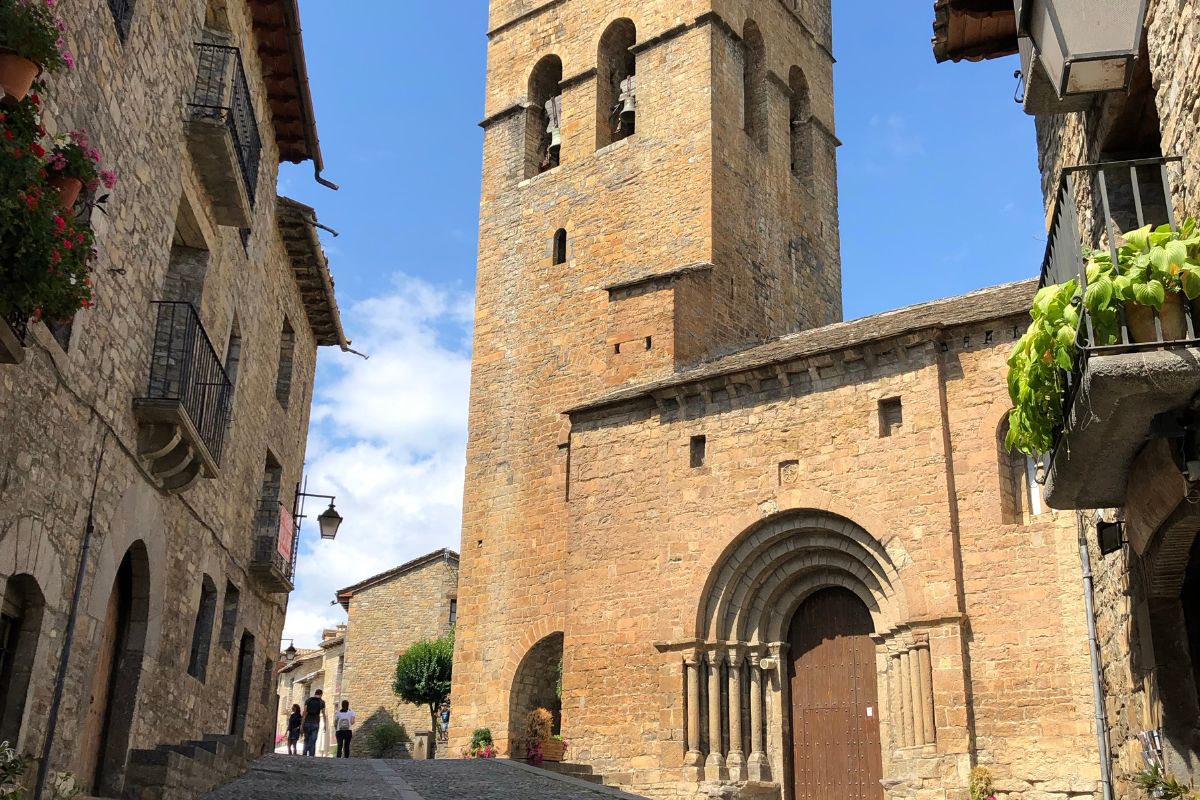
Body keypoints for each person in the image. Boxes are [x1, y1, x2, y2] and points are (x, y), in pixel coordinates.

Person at [302, 689, 325, 757]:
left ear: (315, 693)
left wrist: (302, 724)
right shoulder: (321, 702)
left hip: (307, 722)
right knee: (313, 740)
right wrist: (325, 724)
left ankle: (304, 755)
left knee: (306, 739)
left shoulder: (308, 700)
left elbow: (304, 712)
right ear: (321, 694)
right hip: (315, 723)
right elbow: (323, 713)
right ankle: (311, 756)